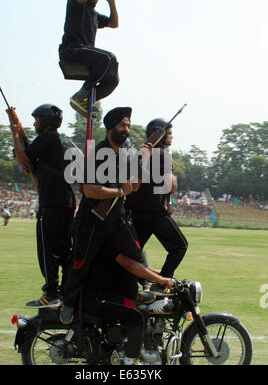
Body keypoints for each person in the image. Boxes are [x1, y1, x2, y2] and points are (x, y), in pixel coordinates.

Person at [60, 107, 150, 325]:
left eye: (128, 126)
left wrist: (141, 160)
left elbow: (135, 186)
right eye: (122, 125)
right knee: (80, 266)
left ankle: (144, 288)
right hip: (92, 222)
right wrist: (119, 192)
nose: (126, 129)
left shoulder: (125, 156)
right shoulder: (97, 154)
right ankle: (68, 304)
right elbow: (89, 190)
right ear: (111, 128)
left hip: (115, 221)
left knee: (136, 253)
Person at [10, 104, 76, 308]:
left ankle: (51, 293)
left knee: (48, 251)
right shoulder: (59, 140)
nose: (34, 123)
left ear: (46, 120)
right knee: (64, 251)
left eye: (37, 119)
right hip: (66, 202)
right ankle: (65, 293)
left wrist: (15, 133)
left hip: (52, 204)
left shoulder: (47, 138)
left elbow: (22, 157)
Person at [83, 242, 174, 365]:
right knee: (140, 312)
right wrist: (159, 279)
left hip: (104, 291)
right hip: (98, 296)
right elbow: (129, 264)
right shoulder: (112, 238)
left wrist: (154, 274)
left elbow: (134, 260)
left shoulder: (117, 236)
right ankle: (130, 361)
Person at [126, 118, 188, 292]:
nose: (172, 137)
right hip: (155, 212)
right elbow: (171, 186)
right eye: (168, 133)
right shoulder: (163, 154)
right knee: (179, 246)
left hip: (135, 212)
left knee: (133, 253)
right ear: (159, 135)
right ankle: (161, 283)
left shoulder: (140, 153)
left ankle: (143, 282)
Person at [59, 0, 119, 118]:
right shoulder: (75, 2)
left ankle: (86, 99)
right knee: (108, 58)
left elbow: (114, 23)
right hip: (70, 50)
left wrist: (112, 2)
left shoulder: (94, 15)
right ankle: (80, 96)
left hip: (85, 54)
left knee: (113, 79)